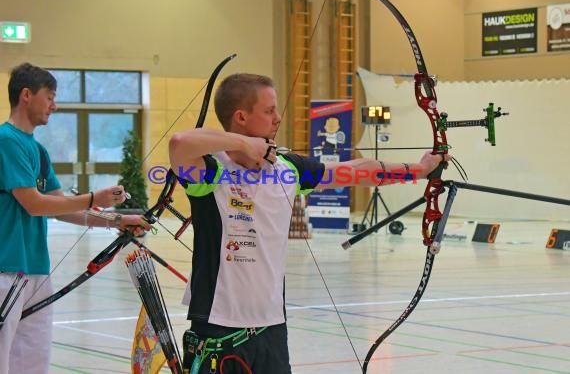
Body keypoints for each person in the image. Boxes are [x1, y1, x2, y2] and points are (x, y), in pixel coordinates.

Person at [169, 73, 449, 373]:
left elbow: (357, 170)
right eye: (269, 111)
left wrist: (419, 170)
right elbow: (180, 142)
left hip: (271, 327)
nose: (278, 118)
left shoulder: (288, 169)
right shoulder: (211, 172)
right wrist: (244, 144)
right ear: (241, 116)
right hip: (218, 330)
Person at [0, 62, 150, 374]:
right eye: (50, 97)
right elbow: (33, 204)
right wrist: (95, 197)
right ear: (26, 95)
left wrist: (115, 220)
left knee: (32, 363)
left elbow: (61, 207)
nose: (54, 106)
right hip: (7, 270)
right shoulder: (6, 140)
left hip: (36, 271)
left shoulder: (38, 150)